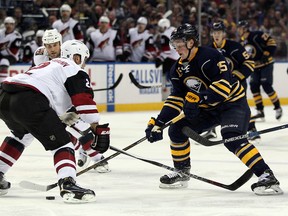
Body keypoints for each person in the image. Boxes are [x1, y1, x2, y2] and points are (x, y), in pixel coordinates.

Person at [144, 23, 283, 195]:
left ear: (191, 42)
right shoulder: (177, 69)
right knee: (176, 129)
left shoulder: (210, 56)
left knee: (232, 138)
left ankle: (266, 176)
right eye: (175, 44)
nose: (177, 48)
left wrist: (198, 99)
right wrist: (158, 122)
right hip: (208, 110)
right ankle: (182, 171)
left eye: (180, 43)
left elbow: (223, 88)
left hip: (232, 104)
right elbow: (175, 99)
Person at [0, 40, 110, 203]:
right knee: (63, 144)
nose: (83, 65)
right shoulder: (73, 68)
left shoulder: (49, 66)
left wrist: (65, 117)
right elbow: (84, 102)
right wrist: (97, 126)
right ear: (77, 57)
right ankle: (68, 183)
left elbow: (52, 101)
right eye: (83, 60)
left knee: (21, 137)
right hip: (30, 99)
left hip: (5, 96)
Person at [33, 29, 110, 173]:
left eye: (55, 45)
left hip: (62, 100)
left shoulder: (69, 53)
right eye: (48, 46)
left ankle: (91, 154)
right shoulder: (40, 56)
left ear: (60, 44)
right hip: (48, 102)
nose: (52, 49)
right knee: (69, 132)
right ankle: (95, 156)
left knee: (80, 128)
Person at [206, 21, 260, 142]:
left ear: (224, 33)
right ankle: (211, 130)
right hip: (219, 86)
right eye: (214, 32)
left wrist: (236, 76)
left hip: (237, 85)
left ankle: (251, 129)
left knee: (241, 106)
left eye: (219, 32)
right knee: (213, 105)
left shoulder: (235, 47)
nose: (216, 35)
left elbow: (249, 63)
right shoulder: (208, 50)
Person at [237, 20, 282, 121]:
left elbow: (272, 42)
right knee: (254, 86)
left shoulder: (257, 35)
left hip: (266, 64)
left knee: (266, 85)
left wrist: (267, 53)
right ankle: (260, 111)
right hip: (255, 67)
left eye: (240, 28)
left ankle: (278, 107)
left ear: (244, 28)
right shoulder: (242, 42)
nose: (238, 31)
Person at [0, 17, 22, 82]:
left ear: (14, 25)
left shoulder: (17, 35)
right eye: (7, 24)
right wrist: (4, 46)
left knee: (4, 61)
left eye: (11, 24)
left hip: (12, 56)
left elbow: (13, 52)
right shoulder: (0, 32)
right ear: (4, 24)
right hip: (1, 54)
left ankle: (2, 84)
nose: (9, 26)